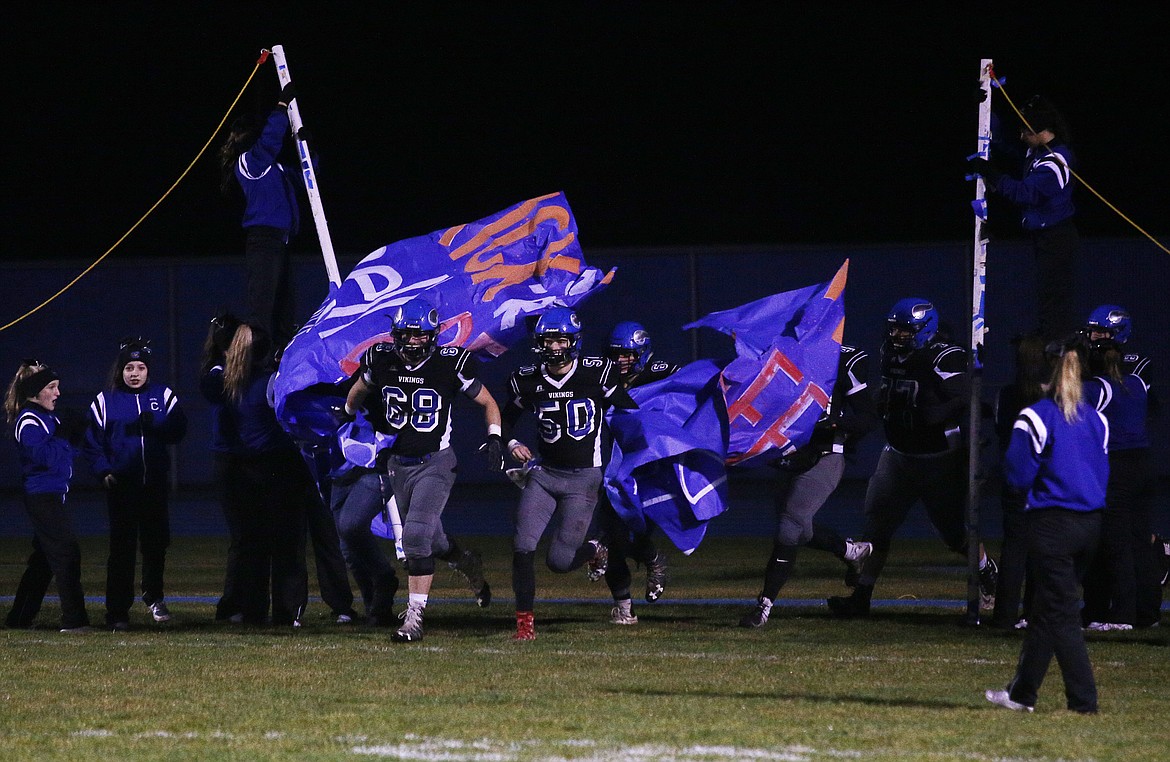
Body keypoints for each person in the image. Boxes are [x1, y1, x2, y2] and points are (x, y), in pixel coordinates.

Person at [344, 297, 502, 643]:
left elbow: (488, 401)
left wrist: (494, 437)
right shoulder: (379, 359)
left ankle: (413, 617)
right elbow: (355, 393)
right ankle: (465, 561)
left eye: (419, 336)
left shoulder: (451, 363)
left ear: (433, 336)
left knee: (414, 538)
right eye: (407, 335)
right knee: (433, 539)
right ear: (395, 335)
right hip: (397, 464)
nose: (412, 342)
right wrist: (350, 418)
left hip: (436, 463)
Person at [827, 298, 998, 617]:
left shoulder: (944, 356)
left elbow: (969, 397)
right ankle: (862, 596)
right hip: (897, 453)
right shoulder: (888, 352)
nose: (898, 336)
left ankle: (987, 571)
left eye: (906, 331)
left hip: (938, 458)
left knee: (953, 535)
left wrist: (936, 412)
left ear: (925, 329)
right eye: (894, 329)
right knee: (877, 528)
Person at [985, 334, 1106, 715]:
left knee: (1062, 614)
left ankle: (1083, 702)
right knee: (1047, 610)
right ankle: (1022, 693)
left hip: (1052, 525)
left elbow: (1018, 476)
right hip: (1090, 525)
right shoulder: (1096, 418)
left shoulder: (1035, 416)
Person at [502, 307, 637, 640]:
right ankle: (524, 624)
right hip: (545, 474)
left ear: (573, 341)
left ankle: (594, 549)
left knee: (559, 562)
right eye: (548, 341)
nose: (554, 348)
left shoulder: (597, 373)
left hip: (583, 479)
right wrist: (511, 441)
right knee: (522, 545)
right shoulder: (527, 379)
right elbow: (505, 420)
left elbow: (632, 408)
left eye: (560, 340)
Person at [739, 342, 879, 627]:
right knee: (801, 529)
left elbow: (867, 418)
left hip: (825, 455)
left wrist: (836, 424)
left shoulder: (843, 360)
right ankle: (852, 551)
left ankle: (763, 606)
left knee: (789, 526)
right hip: (789, 455)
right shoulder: (782, 356)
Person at [201, 322, 308, 625]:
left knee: (253, 542)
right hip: (277, 465)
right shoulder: (269, 381)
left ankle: (253, 608)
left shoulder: (229, 380)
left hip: (245, 469)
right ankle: (286, 611)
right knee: (285, 542)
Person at [82, 339, 187, 631]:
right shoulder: (105, 400)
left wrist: (157, 426)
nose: (135, 373)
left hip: (153, 484)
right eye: (129, 367)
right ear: (120, 370)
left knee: (155, 545)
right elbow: (92, 443)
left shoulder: (163, 395)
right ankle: (117, 612)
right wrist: (103, 471)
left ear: (148, 371)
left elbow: (179, 429)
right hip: (122, 487)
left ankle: (154, 596)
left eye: (140, 367)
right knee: (121, 549)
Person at [969, 96, 1080, 341]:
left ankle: (1055, 345)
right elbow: (1006, 144)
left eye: (1026, 132)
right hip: (1040, 233)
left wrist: (993, 175)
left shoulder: (1056, 161)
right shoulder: (1036, 150)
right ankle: (1048, 337)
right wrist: (986, 108)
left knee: (1054, 296)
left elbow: (1025, 193)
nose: (1022, 137)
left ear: (1042, 132)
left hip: (1057, 236)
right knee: (1044, 293)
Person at [592, 321, 680, 625]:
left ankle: (652, 557)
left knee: (636, 525)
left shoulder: (660, 372)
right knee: (614, 533)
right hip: (612, 460)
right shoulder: (600, 375)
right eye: (615, 354)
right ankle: (625, 607)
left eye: (627, 355)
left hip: (647, 463)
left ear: (642, 353)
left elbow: (691, 386)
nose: (620, 360)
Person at [1080, 307, 1160, 630]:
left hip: (1119, 464)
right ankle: (1147, 612)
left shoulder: (1104, 387)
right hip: (1141, 462)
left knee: (1116, 540)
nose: (1095, 339)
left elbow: (1069, 398)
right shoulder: (1138, 382)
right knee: (1140, 539)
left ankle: (1123, 614)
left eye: (1102, 335)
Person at [4, 360, 92, 632]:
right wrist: (65, 436)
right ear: (34, 392)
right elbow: (44, 457)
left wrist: (76, 437)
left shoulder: (47, 417)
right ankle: (74, 621)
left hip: (52, 495)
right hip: (42, 497)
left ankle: (19, 619)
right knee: (66, 554)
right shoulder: (29, 420)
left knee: (43, 562)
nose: (57, 393)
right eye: (51, 387)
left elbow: (64, 454)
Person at [219, 83, 300, 349]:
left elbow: (305, 178)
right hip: (263, 241)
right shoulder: (249, 163)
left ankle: (282, 357)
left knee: (285, 308)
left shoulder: (273, 168)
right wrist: (280, 110)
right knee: (262, 310)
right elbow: (269, 142)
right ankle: (260, 362)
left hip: (282, 242)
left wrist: (305, 146)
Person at [989, 334, 1051, 630]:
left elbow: (1003, 433)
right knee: (1039, 548)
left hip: (1016, 478)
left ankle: (1004, 616)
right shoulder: (1052, 398)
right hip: (1043, 480)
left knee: (1015, 548)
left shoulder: (1009, 395)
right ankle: (1032, 613)